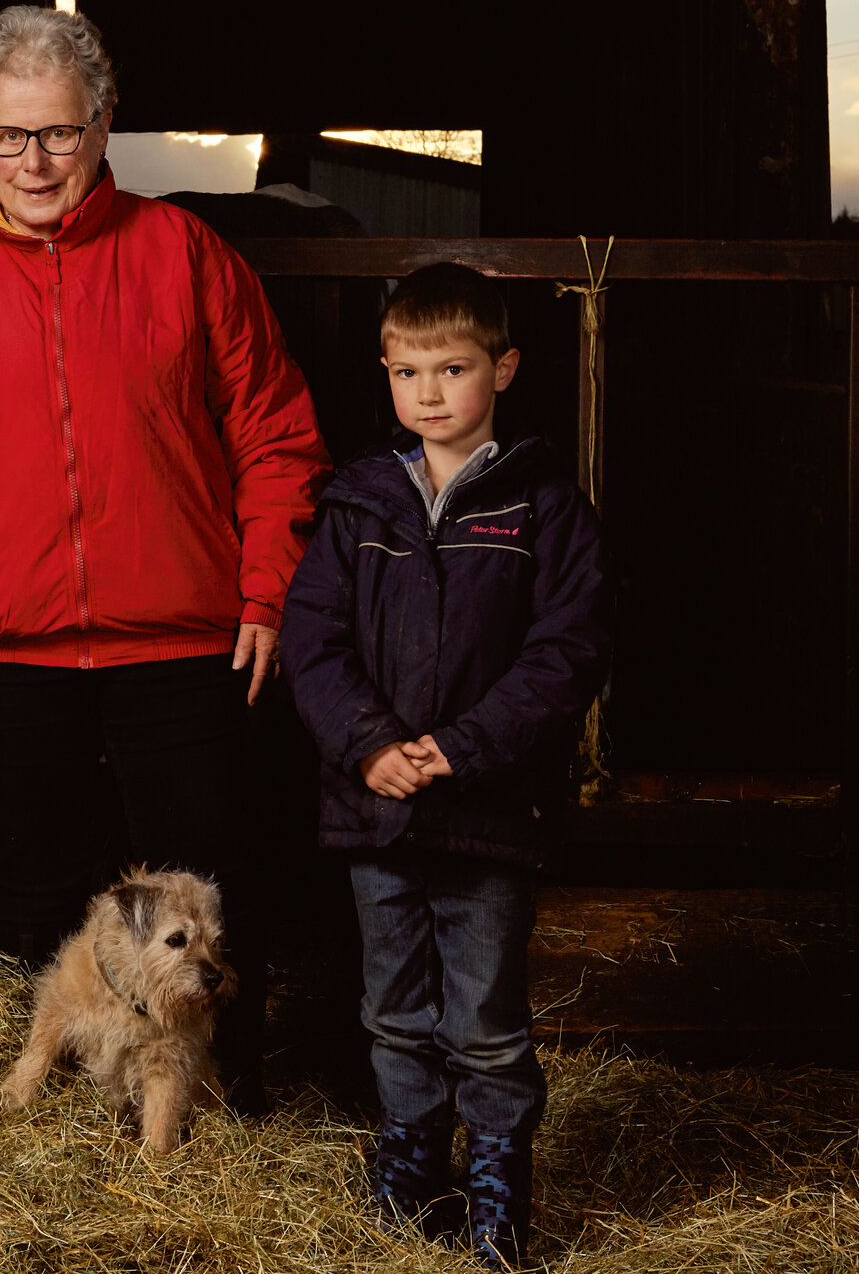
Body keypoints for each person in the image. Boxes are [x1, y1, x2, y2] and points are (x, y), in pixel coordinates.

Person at [0, 3, 329, 1111]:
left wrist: (266, 589)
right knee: (36, 890)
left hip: (179, 632)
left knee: (203, 885)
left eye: (56, 132)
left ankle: (219, 1109)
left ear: (103, 125)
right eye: (9, 136)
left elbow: (274, 435)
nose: (35, 160)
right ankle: (52, 1119)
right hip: (3, 643)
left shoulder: (183, 254)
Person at [281, 262, 613, 1269]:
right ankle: (409, 1173)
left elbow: (568, 650)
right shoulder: (357, 500)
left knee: (482, 1012)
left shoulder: (542, 503)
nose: (428, 392)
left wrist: (462, 747)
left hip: (487, 810)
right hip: (375, 805)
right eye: (405, 371)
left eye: (453, 367)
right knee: (390, 1006)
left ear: (502, 368)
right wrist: (369, 744)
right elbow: (312, 637)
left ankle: (497, 1189)